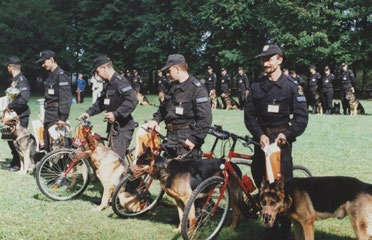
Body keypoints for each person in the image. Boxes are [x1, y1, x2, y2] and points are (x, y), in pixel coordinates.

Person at [244, 44, 308, 240]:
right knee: (261, 179)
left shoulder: (291, 85)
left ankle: (284, 226)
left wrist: (287, 135)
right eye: (263, 59)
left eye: (269, 59)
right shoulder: (256, 86)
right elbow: (249, 115)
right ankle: (269, 220)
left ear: (279, 60)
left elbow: (301, 117)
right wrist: (259, 135)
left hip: (281, 143)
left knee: (282, 184)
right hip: (262, 142)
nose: (265, 63)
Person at [147, 54, 212, 160]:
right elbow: (163, 108)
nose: (167, 74)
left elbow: (205, 119)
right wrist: (155, 120)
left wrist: (194, 139)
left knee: (185, 176)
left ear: (177, 69)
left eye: (169, 71)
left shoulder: (197, 89)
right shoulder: (171, 86)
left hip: (186, 141)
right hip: (170, 138)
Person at [79, 56, 137, 158]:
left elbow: (132, 99)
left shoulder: (120, 81)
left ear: (104, 68)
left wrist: (116, 114)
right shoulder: (108, 84)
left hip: (122, 129)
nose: (96, 75)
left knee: (116, 163)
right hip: (114, 128)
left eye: (97, 72)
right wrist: (88, 113)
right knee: (110, 160)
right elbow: (101, 102)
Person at [36, 50, 72, 152]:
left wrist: (63, 117)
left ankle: (62, 168)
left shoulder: (61, 75)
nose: (43, 65)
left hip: (56, 115)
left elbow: (65, 98)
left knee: (57, 145)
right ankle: (53, 167)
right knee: (48, 144)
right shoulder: (50, 75)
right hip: (48, 114)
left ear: (51, 59)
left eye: (44, 62)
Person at [2, 57, 31, 172]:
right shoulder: (13, 80)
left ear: (11, 67)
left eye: (8, 66)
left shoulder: (22, 80)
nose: (7, 68)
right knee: (9, 138)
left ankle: (20, 164)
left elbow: (24, 98)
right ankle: (15, 161)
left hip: (20, 115)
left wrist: (10, 107)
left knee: (20, 141)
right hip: (11, 115)